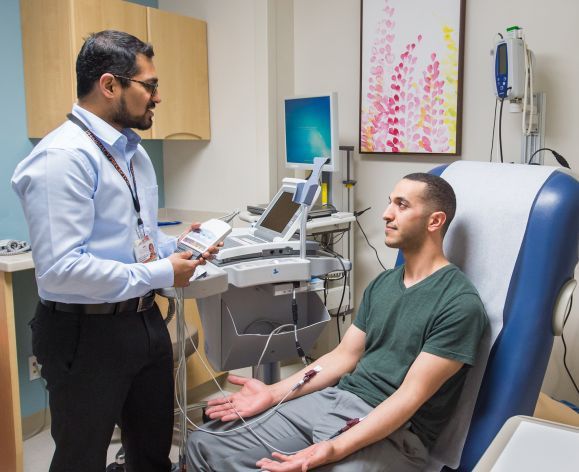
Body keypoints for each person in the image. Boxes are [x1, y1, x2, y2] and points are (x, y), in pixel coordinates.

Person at [12, 30, 218, 472]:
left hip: (144, 323)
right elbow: (62, 271)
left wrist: (177, 249)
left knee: (150, 454)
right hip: (84, 335)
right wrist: (163, 273)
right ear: (110, 85)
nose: (157, 97)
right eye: (149, 85)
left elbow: (134, 244)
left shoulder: (133, 155)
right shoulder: (62, 158)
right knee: (81, 459)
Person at [187, 173, 488, 471]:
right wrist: (272, 394)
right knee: (204, 444)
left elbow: (410, 397)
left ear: (434, 221)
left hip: (395, 432)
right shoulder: (382, 284)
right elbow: (343, 356)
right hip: (332, 401)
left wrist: (333, 448)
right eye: (389, 203)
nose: (386, 214)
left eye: (402, 205)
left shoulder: (459, 304)